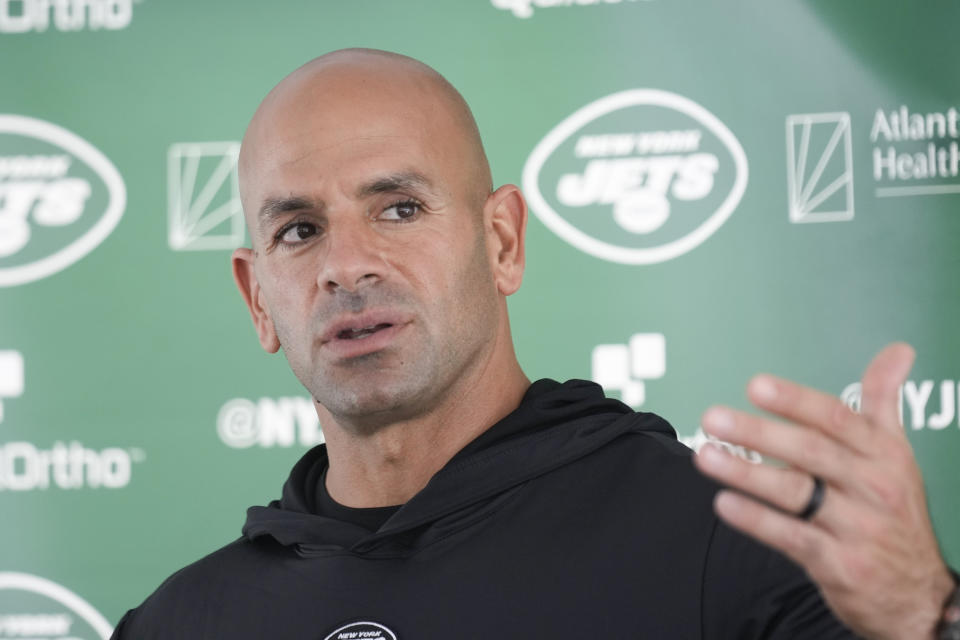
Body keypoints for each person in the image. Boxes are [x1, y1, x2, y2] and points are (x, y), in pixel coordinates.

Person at [111, 49, 958, 639]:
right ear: (259, 299)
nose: (346, 265)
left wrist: (929, 617)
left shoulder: (729, 546)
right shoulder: (181, 622)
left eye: (399, 208)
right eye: (299, 230)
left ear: (503, 241)